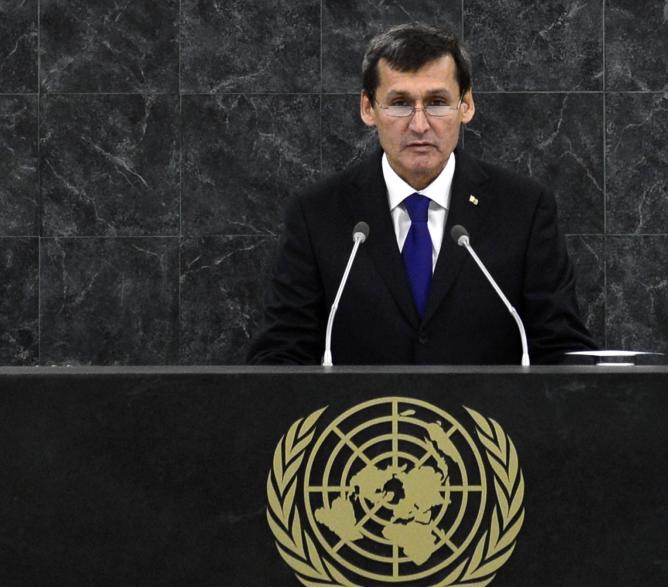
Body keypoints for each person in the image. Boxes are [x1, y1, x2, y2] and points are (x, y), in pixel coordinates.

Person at [246, 23, 596, 365]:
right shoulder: (317, 213)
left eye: (437, 102)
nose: (419, 124)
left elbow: (562, 351)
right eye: (399, 103)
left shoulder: (524, 209)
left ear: (466, 105)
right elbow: (279, 356)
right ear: (368, 108)